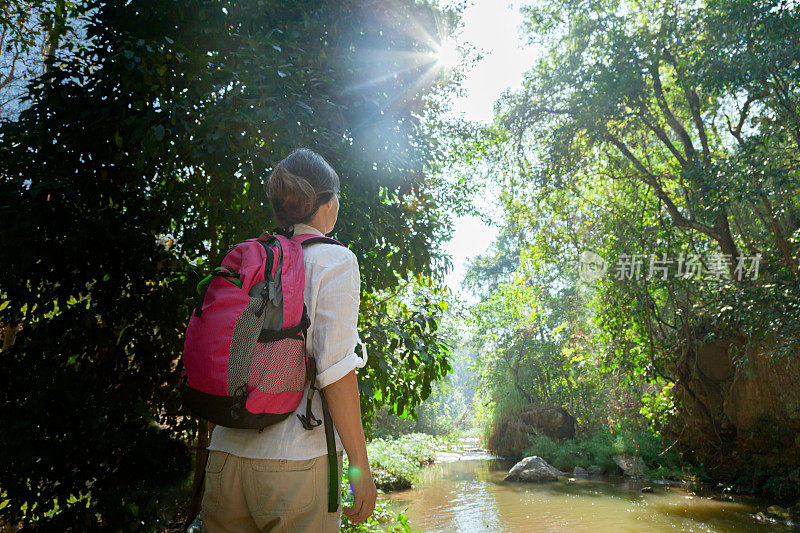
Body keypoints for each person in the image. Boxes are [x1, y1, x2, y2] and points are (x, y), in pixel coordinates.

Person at [201, 148, 377, 532]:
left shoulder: (252, 256)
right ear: (326, 204)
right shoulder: (336, 261)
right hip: (294, 464)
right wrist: (359, 467)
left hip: (225, 456)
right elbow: (335, 373)